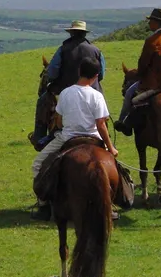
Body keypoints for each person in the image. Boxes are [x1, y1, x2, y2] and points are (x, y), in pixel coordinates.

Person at [32, 58, 119, 220]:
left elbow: (58, 120)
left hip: (68, 138)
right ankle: (111, 203)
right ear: (96, 76)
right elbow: (101, 124)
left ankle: (43, 205)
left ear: (79, 72)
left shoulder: (65, 93)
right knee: (115, 167)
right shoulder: (97, 95)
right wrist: (110, 147)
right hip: (93, 138)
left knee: (37, 164)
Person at [116, 8, 161, 136]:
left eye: (151, 21)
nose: (149, 24)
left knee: (129, 94)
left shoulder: (151, 41)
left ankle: (124, 123)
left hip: (158, 84)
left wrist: (139, 74)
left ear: (157, 22)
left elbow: (143, 66)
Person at [46, 21, 105, 94]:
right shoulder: (97, 51)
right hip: (92, 90)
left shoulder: (62, 49)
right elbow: (101, 75)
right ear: (85, 34)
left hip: (64, 90)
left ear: (71, 33)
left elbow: (52, 72)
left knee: (42, 99)